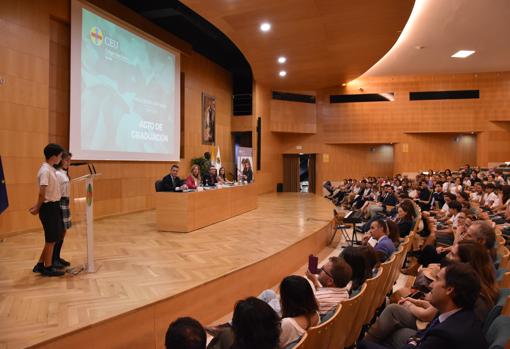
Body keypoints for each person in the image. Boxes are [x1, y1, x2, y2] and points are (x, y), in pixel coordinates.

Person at [360, 263, 487, 349]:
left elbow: (429, 335)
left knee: (363, 345)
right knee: (392, 333)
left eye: (437, 280)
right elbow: (426, 333)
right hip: (420, 341)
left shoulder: (444, 336)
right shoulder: (458, 312)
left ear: (449, 290)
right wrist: (414, 341)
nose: (431, 285)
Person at [30, 143, 65, 277]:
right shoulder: (45, 170)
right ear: (54, 156)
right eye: (60, 156)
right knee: (51, 239)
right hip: (48, 207)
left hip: (53, 206)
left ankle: (40, 264)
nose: (61, 159)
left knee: (52, 238)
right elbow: (42, 193)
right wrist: (38, 207)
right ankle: (48, 267)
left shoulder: (50, 169)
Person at [53, 151, 72, 268]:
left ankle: (57, 257)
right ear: (60, 160)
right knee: (59, 231)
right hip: (60, 202)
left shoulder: (64, 173)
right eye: (66, 160)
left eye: (70, 160)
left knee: (63, 231)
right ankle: (54, 258)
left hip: (65, 202)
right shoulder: (58, 174)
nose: (69, 163)